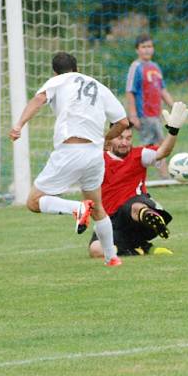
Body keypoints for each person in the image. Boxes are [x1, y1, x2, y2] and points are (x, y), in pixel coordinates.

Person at [9, 52, 129, 267]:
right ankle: (112, 258)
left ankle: (76, 209)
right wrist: (107, 138)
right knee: (98, 207)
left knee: (33, 202)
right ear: (77, 68)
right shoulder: (98, 86)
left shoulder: (57, 81)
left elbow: (39, 99)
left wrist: (19, 125)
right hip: (94, 155)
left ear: (54, 72)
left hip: (70, 151)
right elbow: (122, 122)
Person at [89, 101, 188, 259]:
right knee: (96, 250)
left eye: (128, 138)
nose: (124, 142)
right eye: (120, 138)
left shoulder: (139, 155)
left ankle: (152, 220)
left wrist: (173, 131)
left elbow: (164, 151)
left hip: (136, 212)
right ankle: (139, 248)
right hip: (111, 219)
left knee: (135, 207)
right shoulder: (97, 159)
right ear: (110, 137)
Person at [125, 33, 174, 177]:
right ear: (137, 50)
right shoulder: (136, 67)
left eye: (150, 46)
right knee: (147, 148)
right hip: (143, 115)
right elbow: (130, 91)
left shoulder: (155, 67)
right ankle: (133, 175)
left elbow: (162, 89)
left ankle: (164, 178)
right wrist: (133, 115)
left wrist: (173, 106)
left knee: (161, 145)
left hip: (155, 115)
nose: (147, 50)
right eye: (143, 47)